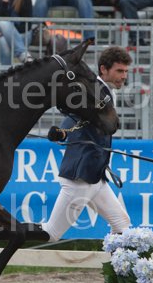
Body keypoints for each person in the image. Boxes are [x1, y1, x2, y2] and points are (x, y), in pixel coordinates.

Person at [43, 47, 133, 242]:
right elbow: (74, 114)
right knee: (51, 234)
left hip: (95, 176)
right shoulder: (93, 91)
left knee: (122, 225)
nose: (124, 76)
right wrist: (63, 133)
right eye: (119, 71)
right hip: (80, 178)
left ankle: (123, 263)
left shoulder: (108, 92)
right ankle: (8, 234)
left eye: (126, 71)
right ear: (103, 69)